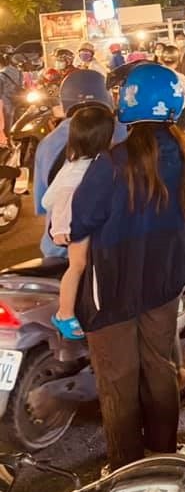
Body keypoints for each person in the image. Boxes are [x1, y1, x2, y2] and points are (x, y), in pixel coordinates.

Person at [69, 63, 185, 469]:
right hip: (164, 282)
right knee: (160, 367)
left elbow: (81, 221)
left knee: (119, 379)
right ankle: (164, 457)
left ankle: (126, 469)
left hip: (113, 286)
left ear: (126, 104)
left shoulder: (110, 163)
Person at [34, 71, 127, 259]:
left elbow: (43, 205)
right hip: (112, 248)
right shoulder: (126, 134)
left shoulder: (47, 144)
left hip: (59, 250)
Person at [42, 105, 115, 339]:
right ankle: (64, 314)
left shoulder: (73, 163)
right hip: (75, 225)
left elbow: (46, 200)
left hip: (74, 223)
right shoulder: (92, 166)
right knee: (77, 266)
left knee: (81, 266)